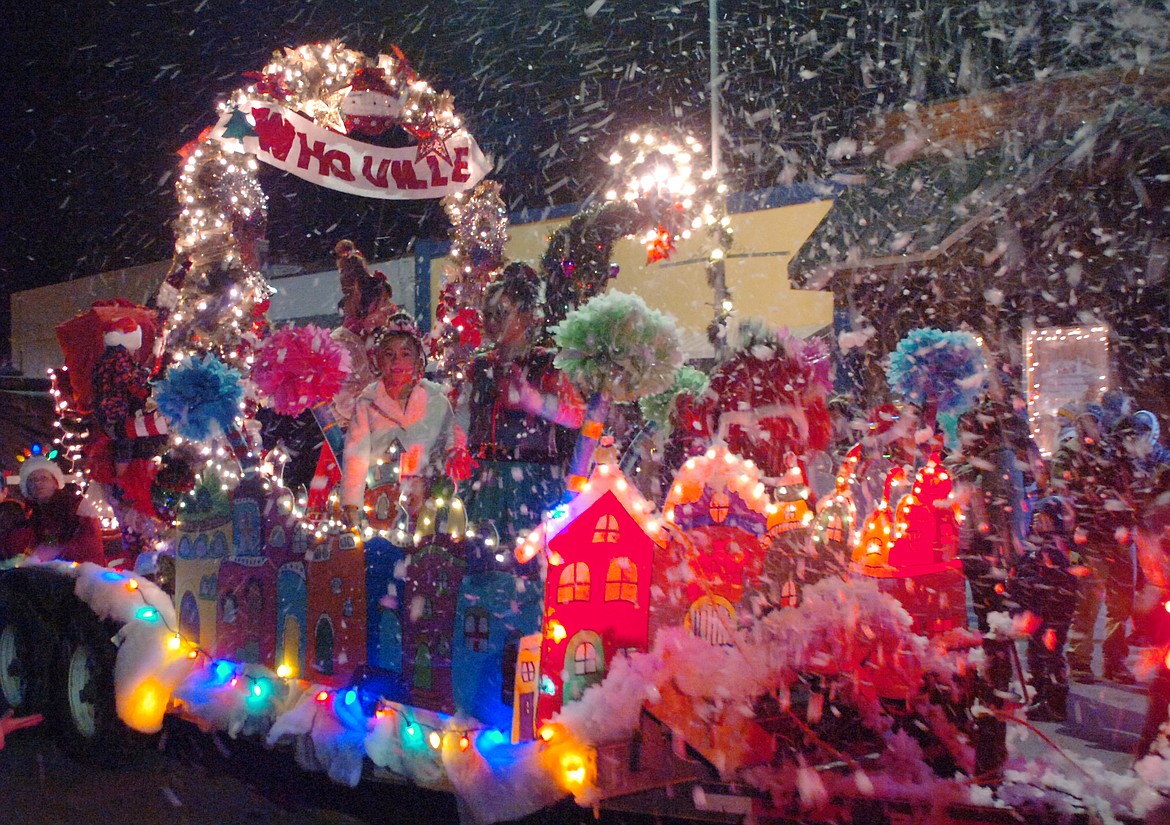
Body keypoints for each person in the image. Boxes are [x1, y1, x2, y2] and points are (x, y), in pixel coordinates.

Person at [457, 263, 584, 545]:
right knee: (482, 555)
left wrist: (534, 401)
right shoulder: (479, 366)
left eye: (500, 314)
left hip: (532, 480)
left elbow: (577, 416)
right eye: (487, 315)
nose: (491, 323)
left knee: (529, 556)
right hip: (484, 479)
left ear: (527, 317)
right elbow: (464, 420)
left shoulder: (547, 362)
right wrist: (456, 451)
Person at [340, 313, 467, 528]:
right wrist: (352, 505)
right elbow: (356, 455)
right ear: (378, 360)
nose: (397, 361)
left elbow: (451, 440)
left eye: (405, 354)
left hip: (428, 505)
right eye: (389, 355)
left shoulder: (436, 400)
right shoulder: (368, 402)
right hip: (380, 503)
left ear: (419, 362)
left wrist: (453, 457)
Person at [1056, 406, 1138, 684]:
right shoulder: (1068, 454)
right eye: (1086, 422)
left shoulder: (1112, 452)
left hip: (1117, 538)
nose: (1091, 428)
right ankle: (1079, 659)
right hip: (1087, 540)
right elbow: (1061, 495)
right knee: (1087, 604)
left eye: (1095, 422)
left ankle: (1114, 660)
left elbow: (1129, 488)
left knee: (1122, 604)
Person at [1012, 496, 1078, 722]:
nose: (1039, 523)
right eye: (1038, 518)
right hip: (1038, 612)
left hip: (1052, 614)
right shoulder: (1038, 544)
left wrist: (1033, 592)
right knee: (1036, 654)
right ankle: (1041, 692)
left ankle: (1055, 703)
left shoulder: (1056, 548)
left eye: (1045, 519)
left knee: (1050, 656)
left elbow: (1054, 582)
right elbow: (1025, 571)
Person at [331, 239, 399, 430]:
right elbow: (348, 404)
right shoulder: (341, 343)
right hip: (352, 444)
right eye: (384, 301)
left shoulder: (374, 339)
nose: (391, 308)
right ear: (364, 304)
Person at [2, 456, 105, 565]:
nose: (37, 483)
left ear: (55, 482)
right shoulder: (29, 514)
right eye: (31, 480)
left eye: (43, 478)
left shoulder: (76, 506)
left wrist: (58, 551)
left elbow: (90, 544)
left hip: (82, 572)